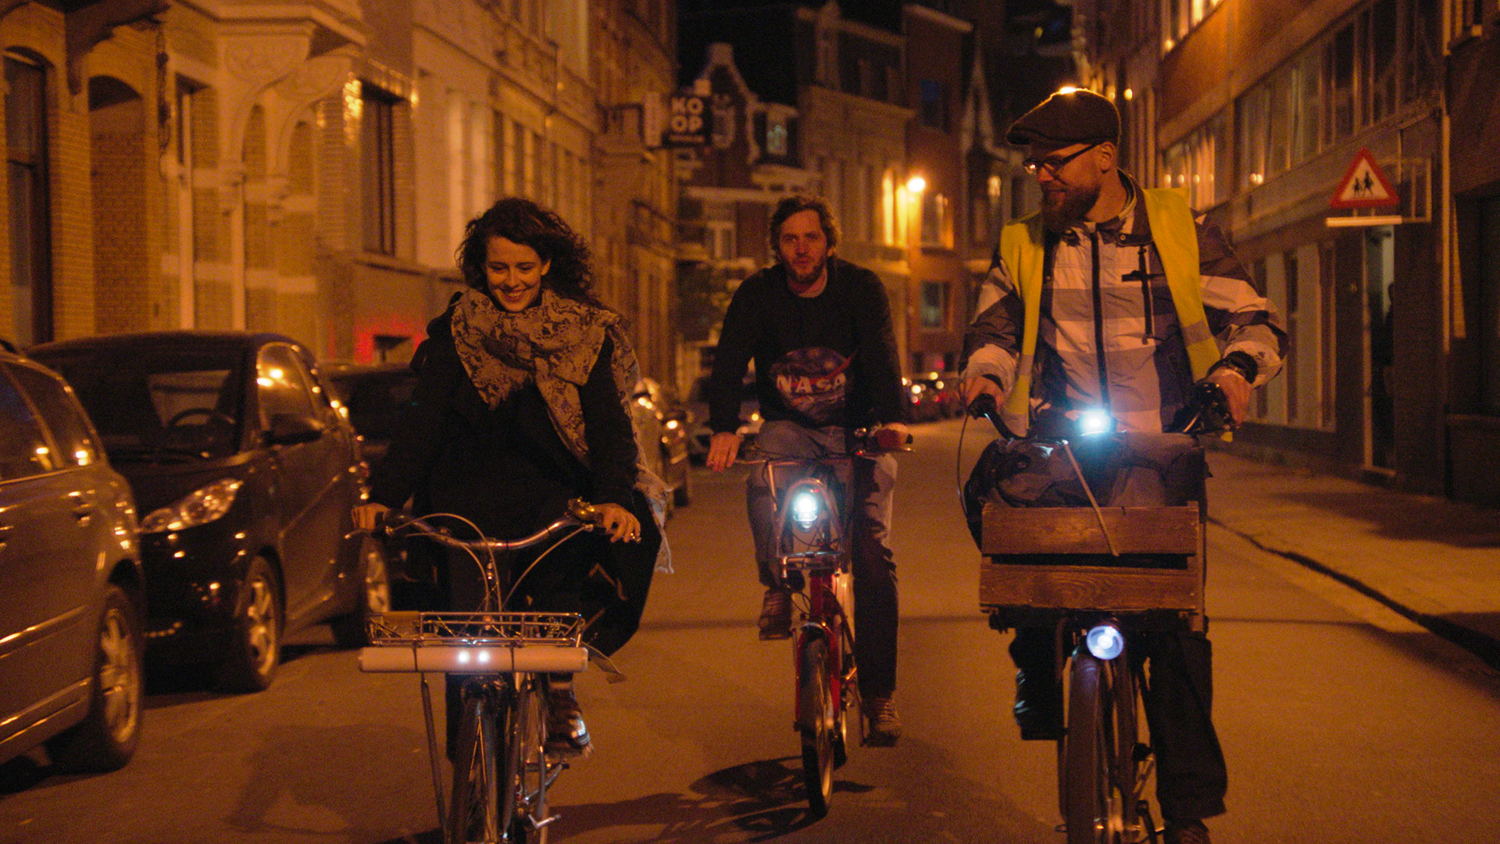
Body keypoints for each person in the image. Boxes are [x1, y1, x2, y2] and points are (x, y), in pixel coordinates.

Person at [961, 89, 1286, 844]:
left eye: (1055, 162)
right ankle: (1035, 656)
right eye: (1035, 165)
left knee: (1175, 631)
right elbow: (994, 327)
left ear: (1105, 157)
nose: (1042, 175)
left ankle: (1188, 813)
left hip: (1164, 451)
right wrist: (984, 375)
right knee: (1012, 541)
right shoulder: (1026, 243)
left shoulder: (1178, 232)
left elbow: (1255, 317)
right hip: (1063, 449)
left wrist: (1237, 370)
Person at [352, 197, 667, 755]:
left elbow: (608, 426)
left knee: (557, 604)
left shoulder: (585, 333)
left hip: (551, 498)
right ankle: (469, 760)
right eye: (499, 267)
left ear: (546, 264)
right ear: (482, 267)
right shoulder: (458, 330)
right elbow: (424, 419)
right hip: (465, 500)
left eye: (524, 267)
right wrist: (384, 496)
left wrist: (614, 498)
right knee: (467, 637)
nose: (512, 281)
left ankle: (560, 690)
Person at [704, 194, 910, 743]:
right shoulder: (757, 294)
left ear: (829, 244)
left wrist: (892, 421)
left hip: (857, 428)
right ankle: (776, 581)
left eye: (811, 237)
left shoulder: (860, 288)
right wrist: (724, 426)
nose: (801, 249)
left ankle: (880, 696)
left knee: (871, 553)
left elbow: (882, 353)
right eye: (790, 239)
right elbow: (729, 361)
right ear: (777, 246)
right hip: (790, 427)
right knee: (762, 478)